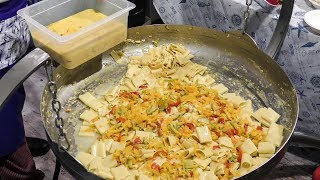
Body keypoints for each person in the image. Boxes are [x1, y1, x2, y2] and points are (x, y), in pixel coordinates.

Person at [0, 0, 49, 179]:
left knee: (13, 95)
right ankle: (16, 162)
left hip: (15, 19)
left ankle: (19, 140)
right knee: (4, 120)